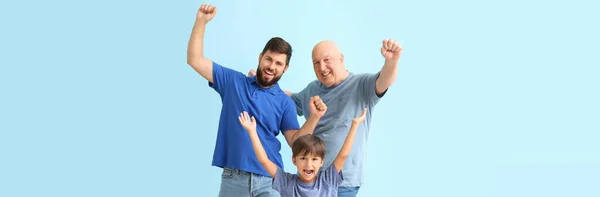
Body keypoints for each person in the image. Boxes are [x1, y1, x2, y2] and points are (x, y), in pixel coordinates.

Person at [186, 4, 327, 197]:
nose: (271, 66)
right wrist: (201, 22)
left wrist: (314, 117)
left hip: (270, 181)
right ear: (260, 57)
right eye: (268, 59)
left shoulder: (284, 102)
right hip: (233, 179)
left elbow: (296, 143)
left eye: (278, 63)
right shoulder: (233, 82)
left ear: (285, 68)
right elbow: (194, 59)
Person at [249, 39, 402, 196]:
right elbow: (287, 99)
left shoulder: (361, 85)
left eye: (327, 60)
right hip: (312, 179)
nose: (322, 67)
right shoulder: (312, 89)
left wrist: (392, 61)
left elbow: (385, 80)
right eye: (316, 62)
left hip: (344, 182)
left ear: (341, 59)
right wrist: (266, 85)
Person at [238, 108, 367, 197]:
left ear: (322, 161)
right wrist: (252, 132)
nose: (308, 164)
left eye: (314, 159)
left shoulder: (328, 180)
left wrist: (355, 125)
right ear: (294, 160)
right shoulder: (286, 182)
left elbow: (343, 155)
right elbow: (264, 160)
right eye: (303, 158)